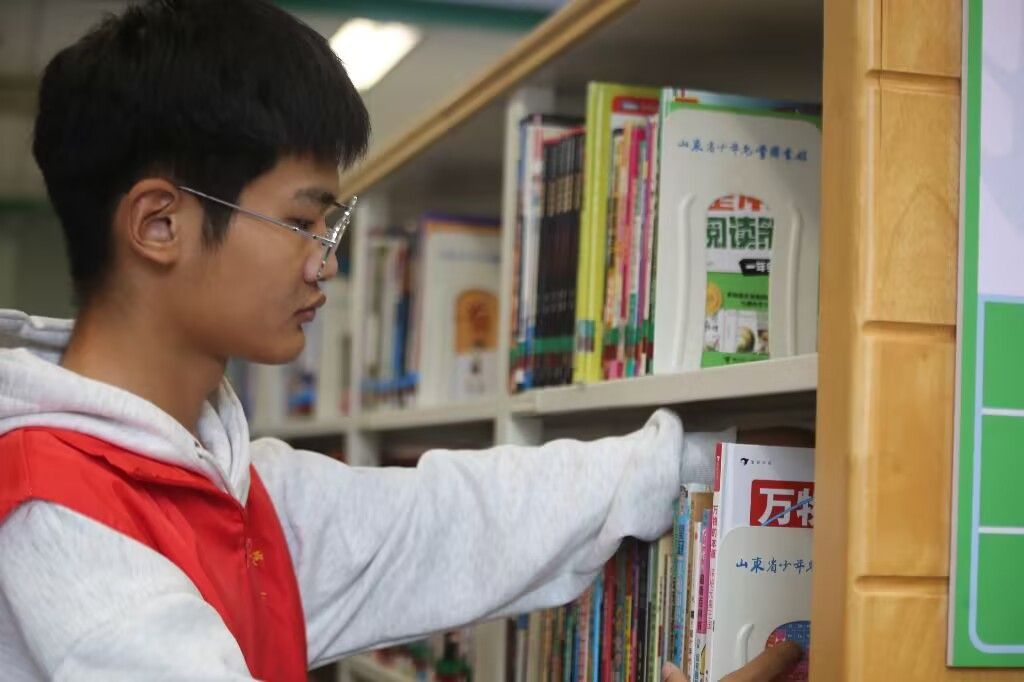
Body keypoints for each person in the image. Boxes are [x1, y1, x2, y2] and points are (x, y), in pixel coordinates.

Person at [0, 1, 800, 679]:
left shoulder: (227, 482)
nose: (326, 262)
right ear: (159, 224)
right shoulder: (60, 521)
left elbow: (456, 518)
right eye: (302, 221)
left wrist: (726, 463)